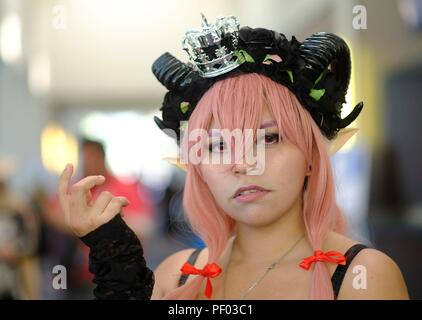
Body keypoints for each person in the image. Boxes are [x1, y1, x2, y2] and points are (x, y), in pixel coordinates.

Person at [57, 15, 409, 300]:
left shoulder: (364, 277)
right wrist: (114, 259)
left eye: (269, 138)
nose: (241, 163)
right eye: (217, 146)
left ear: (313, 156)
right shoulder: (178, 276)